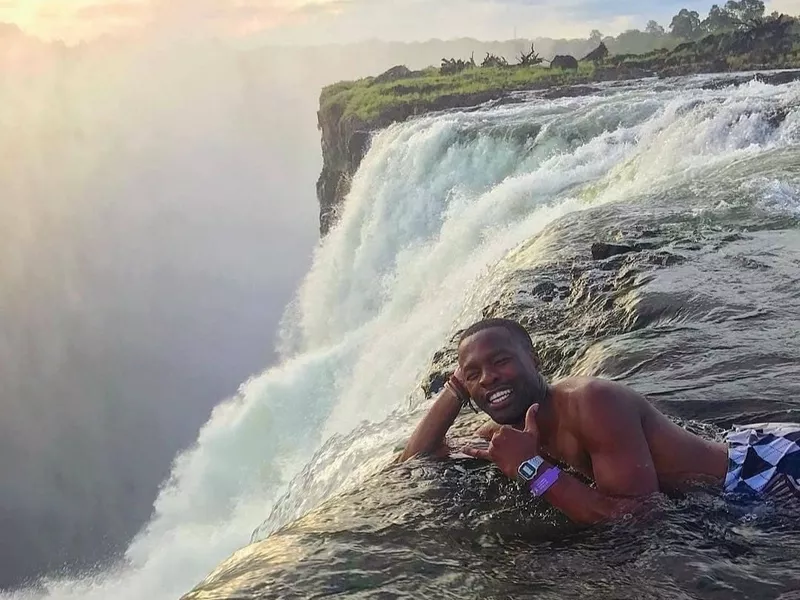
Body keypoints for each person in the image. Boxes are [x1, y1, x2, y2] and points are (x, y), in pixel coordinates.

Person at [399, 318, 800, 524]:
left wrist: (531, 468)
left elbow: (640, 518)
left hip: (764, 473)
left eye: (501, 361)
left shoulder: (592, 402)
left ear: (534, 361)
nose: (489, 378)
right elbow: (413, 462)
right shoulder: (510, 432)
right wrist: (455, 389)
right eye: (474, 374)